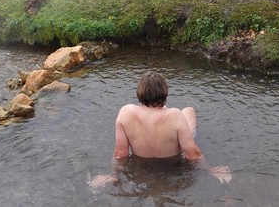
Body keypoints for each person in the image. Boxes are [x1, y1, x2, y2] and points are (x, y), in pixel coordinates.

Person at [89, 71, 231, 190]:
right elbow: (192, 154)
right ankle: (183, 127)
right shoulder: (175, 115)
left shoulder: (125, 112)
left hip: (142, 168)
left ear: (139, 92)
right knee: (189, 111)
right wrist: (210, 170)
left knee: (185, 113)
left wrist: (114, 175)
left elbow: (121, 153)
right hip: (173, 167)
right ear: (165, 93)